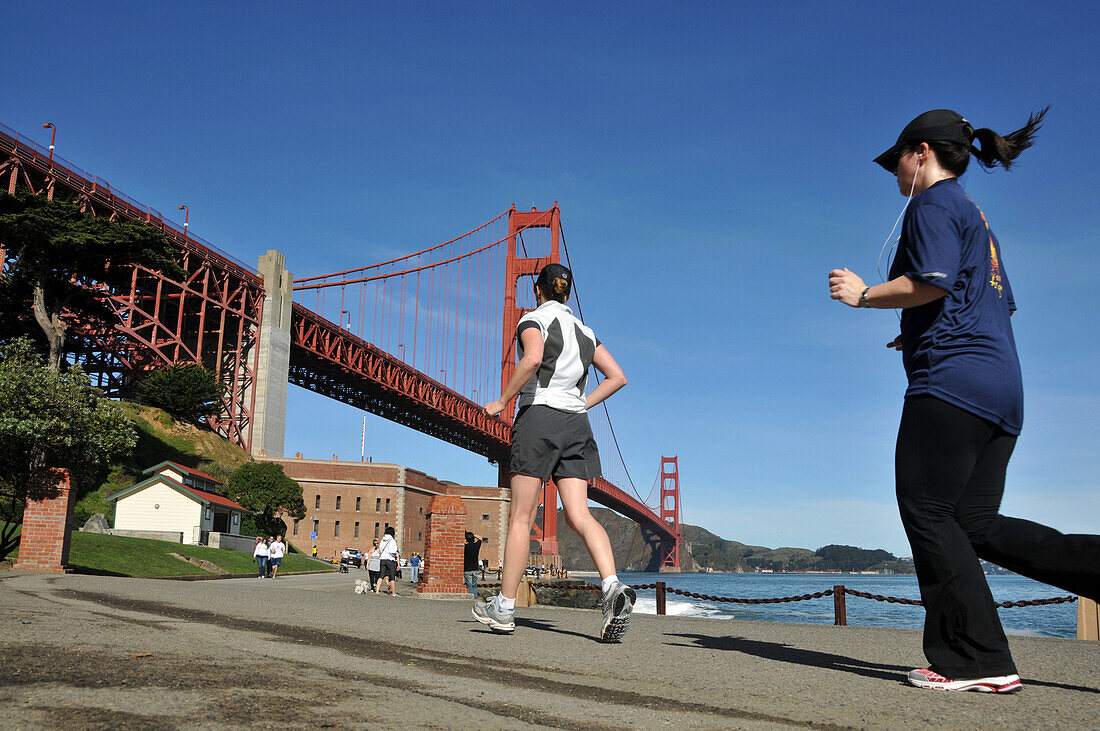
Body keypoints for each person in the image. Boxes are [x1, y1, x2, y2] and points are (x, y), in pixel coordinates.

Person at [829, 108, 1100, 693]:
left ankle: (976, 660)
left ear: (921, 152)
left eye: (897, 160)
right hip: (1003, 392)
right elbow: (988, 302)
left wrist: (865, 295)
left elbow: (932, 278)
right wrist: (917, 326)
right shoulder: (979, 219)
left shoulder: (932, 203)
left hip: (951, 385)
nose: (894, 172)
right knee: (973, 523)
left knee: (926, 509)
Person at [473, 263, 635, 642]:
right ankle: (611, 587)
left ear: (536, 288)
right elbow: (618, 376)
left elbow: (531, 360)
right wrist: (581, 404)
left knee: (521, 516)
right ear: (568, 292)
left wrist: (501, 401)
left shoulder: (532, 320)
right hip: (576, 423)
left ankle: (505, 607)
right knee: (579, 515)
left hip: (539, 417)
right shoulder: (586, 332)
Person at [377, 526, 400, 596]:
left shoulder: (383, 540)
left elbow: (380, 550)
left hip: (382, 559)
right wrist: (396, 554)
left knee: (381, 576)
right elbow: (393, 551)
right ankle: (393, 593)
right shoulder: (392, 540)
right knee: (392, 577)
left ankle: (377, 591)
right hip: (390, 560)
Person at [463, 532, 483, 597]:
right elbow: (480, 538)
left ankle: (471, 598)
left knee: (469, 585)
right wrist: (473, 535)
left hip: (467, 568)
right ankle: (475, 597)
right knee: (474, 585)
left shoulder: (465, 547)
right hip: (475, 568)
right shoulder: (476, 545)